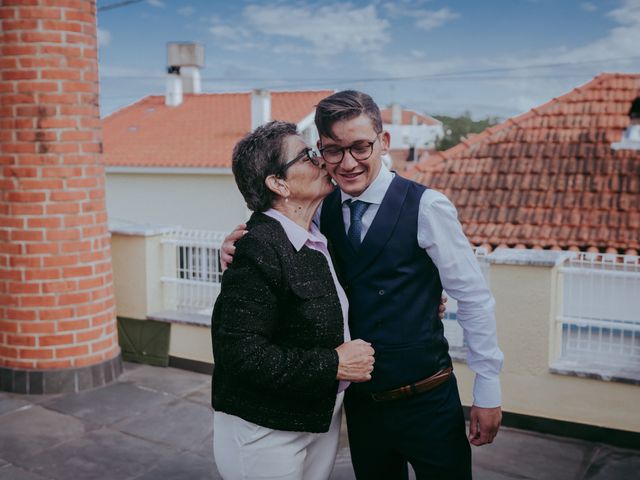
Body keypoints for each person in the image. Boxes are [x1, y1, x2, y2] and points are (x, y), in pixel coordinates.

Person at [221, 91, 504, 479]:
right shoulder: (320, 211)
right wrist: (232, 245)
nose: (348, 162)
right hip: (361, 407)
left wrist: (487, 390)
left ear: (384, 143)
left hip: (428, 400)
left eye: (360, 147)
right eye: (333, 151)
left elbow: (473, 298)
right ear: (321, 150)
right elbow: (277, 232)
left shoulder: (427, 207)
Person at [211, 120, 376, 480]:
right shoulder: (257, 247)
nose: (322, 161)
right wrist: (333, 364)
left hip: (316, 418)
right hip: (266, 431)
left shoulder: (316, 237)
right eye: (307, 155)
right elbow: (239, 352)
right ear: (278, 184)